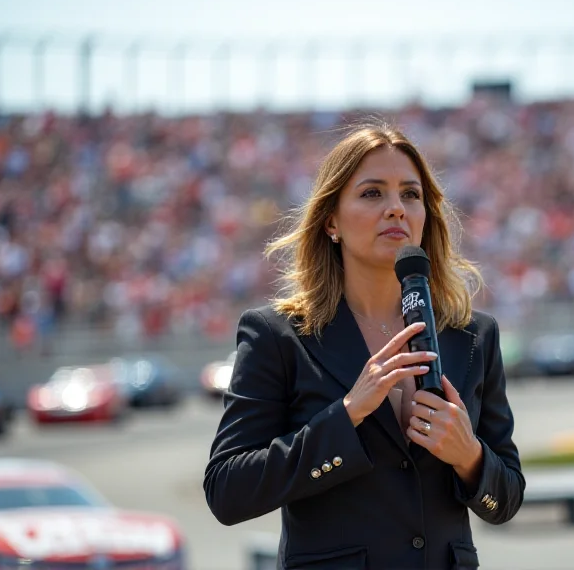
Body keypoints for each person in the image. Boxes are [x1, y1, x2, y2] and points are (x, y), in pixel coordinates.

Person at [204, 123, 525, 569]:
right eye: (373, 193)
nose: (396, 208)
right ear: (331, 220)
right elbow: (227, 492)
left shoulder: (474, 336)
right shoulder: (276, 336)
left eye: (410, 195)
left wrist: (469, 456)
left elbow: (505, 501)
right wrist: (347, 413)